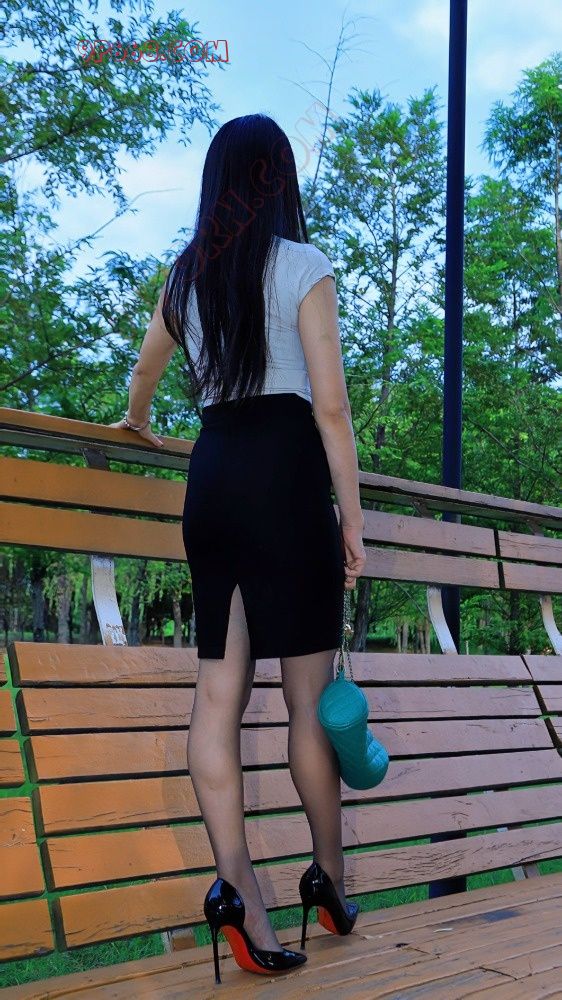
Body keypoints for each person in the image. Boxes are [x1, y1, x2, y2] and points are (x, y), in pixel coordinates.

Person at [113, 113, 366, 985]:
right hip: (286, 479)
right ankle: (327, 879)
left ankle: (238, 893)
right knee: (306, 703)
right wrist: (352, 520)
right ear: (279, 180)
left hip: (214, 474)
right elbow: (330, 408)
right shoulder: (302, 264)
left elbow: (144, 375)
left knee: (217, 695)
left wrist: (138, 421)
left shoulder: (186, 276)